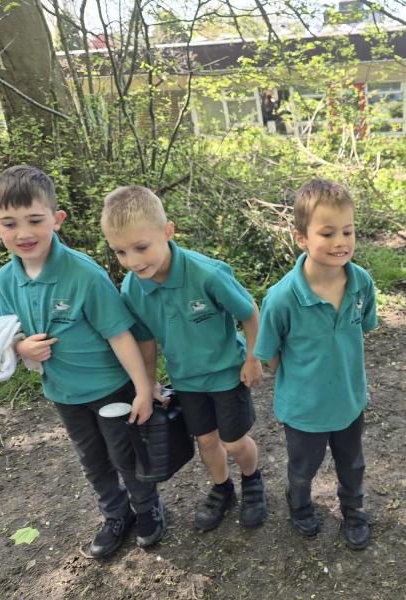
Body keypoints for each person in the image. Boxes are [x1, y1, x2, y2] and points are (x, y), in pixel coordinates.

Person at [0, 166, 164, 558]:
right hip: (63, 393)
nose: (24, 233)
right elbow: (4, 334)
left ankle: (147, 508)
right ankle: (115, 514)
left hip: (110, 388)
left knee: (126, 455)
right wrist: (21, 347)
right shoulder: (4, 282)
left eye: (35, 220)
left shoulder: (84, 274)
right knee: (92, 460)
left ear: (57, 219)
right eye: (10, 224)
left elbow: (120, 335)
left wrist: (142, 388)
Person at [100, 186, 268, 532]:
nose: (132, 261)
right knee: (206, 440)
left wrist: (253, 359)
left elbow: (249, 312)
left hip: (227, 373)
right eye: (120, 252)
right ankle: (222, 488)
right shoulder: (132, 288)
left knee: (234, 441)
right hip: (186, 379)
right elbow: (145, 339)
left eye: (141, 247)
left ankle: (252, 479)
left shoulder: (207, 274)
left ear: (168, 231)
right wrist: (149, 382)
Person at [254, 178, 377, 550]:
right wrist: (301, 379)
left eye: (348, 231)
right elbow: (270, 353)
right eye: (327, 233)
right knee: (303, 467)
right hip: (303, 409)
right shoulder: (281, 298)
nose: (341, 241)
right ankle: (299, 504)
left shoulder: (361, 283)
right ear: (301, 238)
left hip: (349, 401)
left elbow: (363, 327)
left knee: (352, 464)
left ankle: (353, 509)